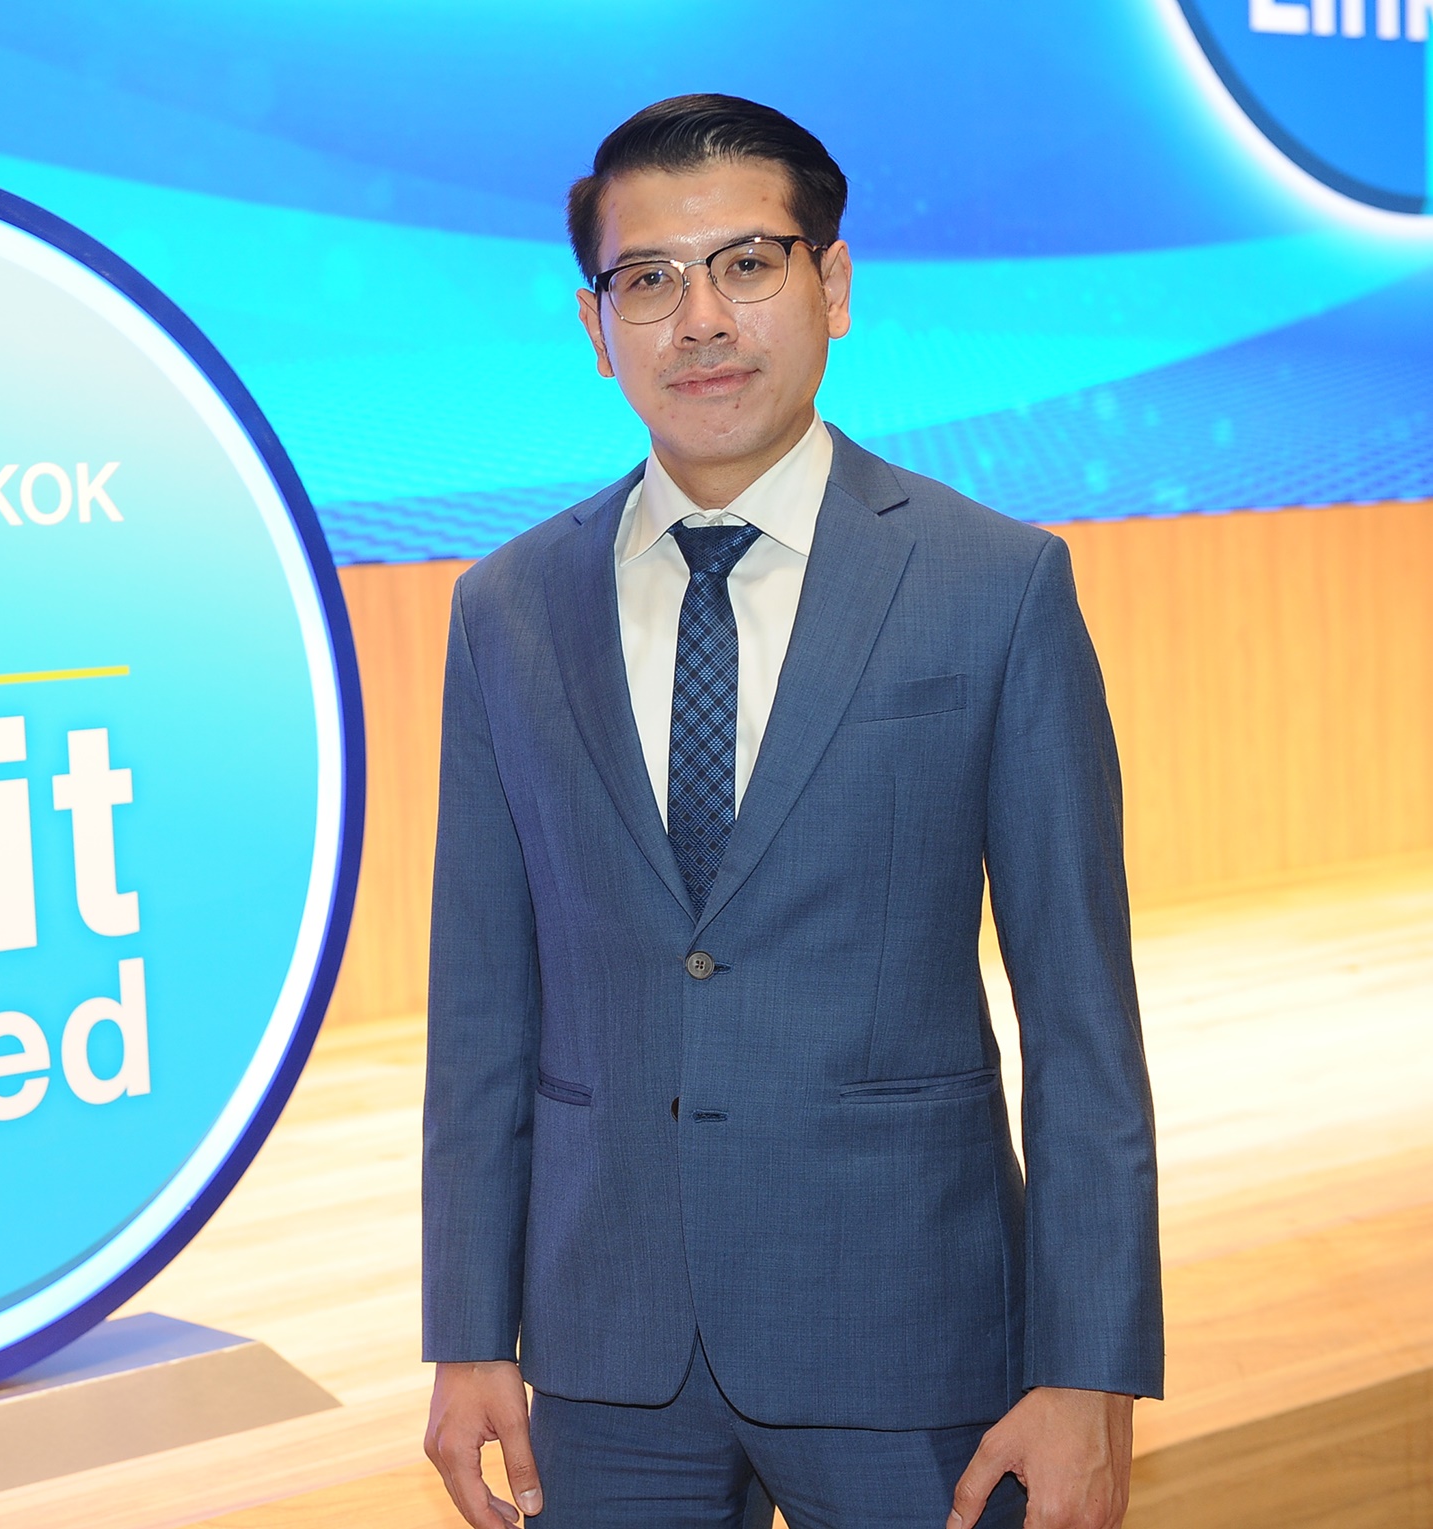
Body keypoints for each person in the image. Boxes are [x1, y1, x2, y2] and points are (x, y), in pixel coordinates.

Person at [419, 95, 1161, 1529]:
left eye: (747, 264)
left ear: (832, 284)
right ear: (596, 325)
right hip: (604, 1351)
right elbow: (481, 1013)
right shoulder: (506, 608)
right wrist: (467, 1331)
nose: (699, 319)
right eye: (648, 279)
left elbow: (1083, 1024)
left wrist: (1089, 1371)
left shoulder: (993, 584)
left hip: (913, 1337)